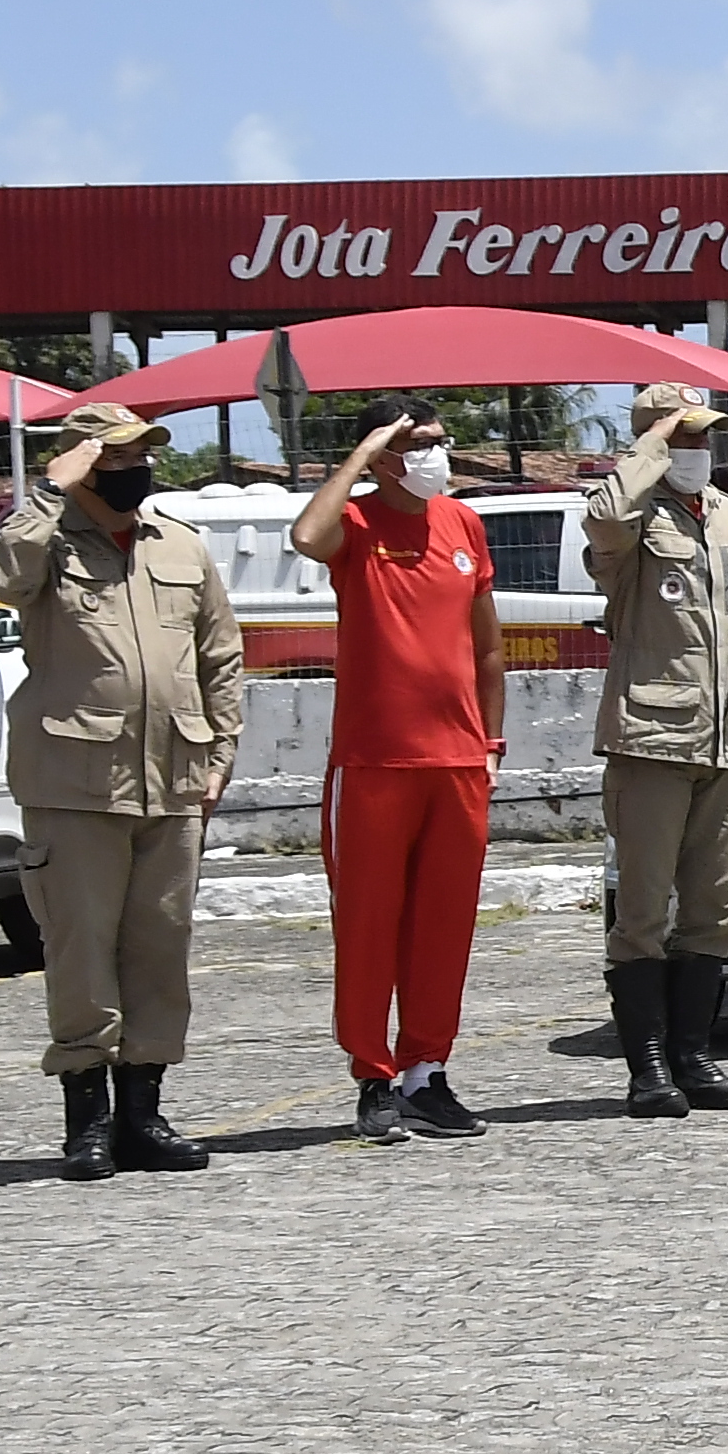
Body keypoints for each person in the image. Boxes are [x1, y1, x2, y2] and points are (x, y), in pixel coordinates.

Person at [0, 405, 243, 1179]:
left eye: (142, 455)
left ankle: (144, 1111)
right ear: (81, 465)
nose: (137, 469)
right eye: (118, 457)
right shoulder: (46, 540)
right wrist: (46, 495)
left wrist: (221, 750)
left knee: (160, 951)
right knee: (80, 952)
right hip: (75, 781)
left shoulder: (181, 544)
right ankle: (87, 1120)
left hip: (174, 780)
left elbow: (219, 654)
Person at [292, 400, 506, 1142]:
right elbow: (305, 535)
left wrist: (491, 741)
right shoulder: (353, 525)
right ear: (383, 454)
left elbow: (486, 648)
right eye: (417, 445)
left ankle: (427, 1073)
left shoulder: (461, 524)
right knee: (368, 924)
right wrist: (362, 457)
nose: (434, 456)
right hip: (375, 759)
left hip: (457, 760)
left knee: (442, 928)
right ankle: (373, 1076)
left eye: (438, 443)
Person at [586, 385, 728, 1121]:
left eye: (705, 437)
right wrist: (651, 443)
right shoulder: (631, 520)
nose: (699, 450)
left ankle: (694, 1057)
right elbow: (603, 516)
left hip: (723, 742)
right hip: (651, 740)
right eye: (684, 437)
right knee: (641, 911)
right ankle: (648, 1069)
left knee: (715, 910)